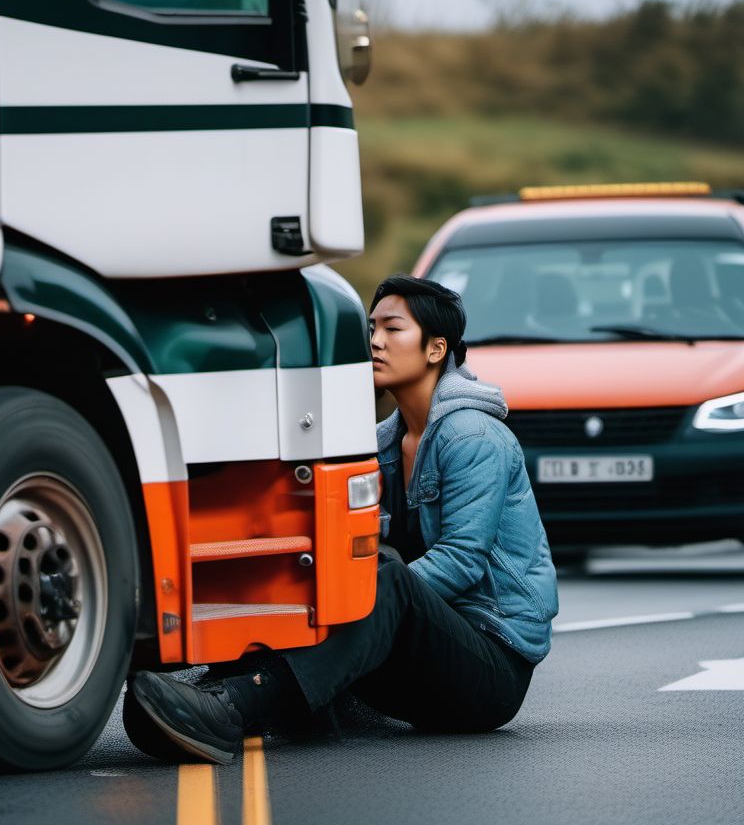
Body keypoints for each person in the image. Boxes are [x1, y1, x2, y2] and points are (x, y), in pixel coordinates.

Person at [124, 274, 559, 764]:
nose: (374, 341)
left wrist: (353, 598)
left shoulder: (474, 438)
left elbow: (461, 561)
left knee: (385, 579)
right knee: (352, 562)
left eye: (393, 329)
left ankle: (234, 706)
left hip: (489, 666)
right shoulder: (382, 443)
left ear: (436, 349)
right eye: (371, 328)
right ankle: (233, 690)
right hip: (418, 659)